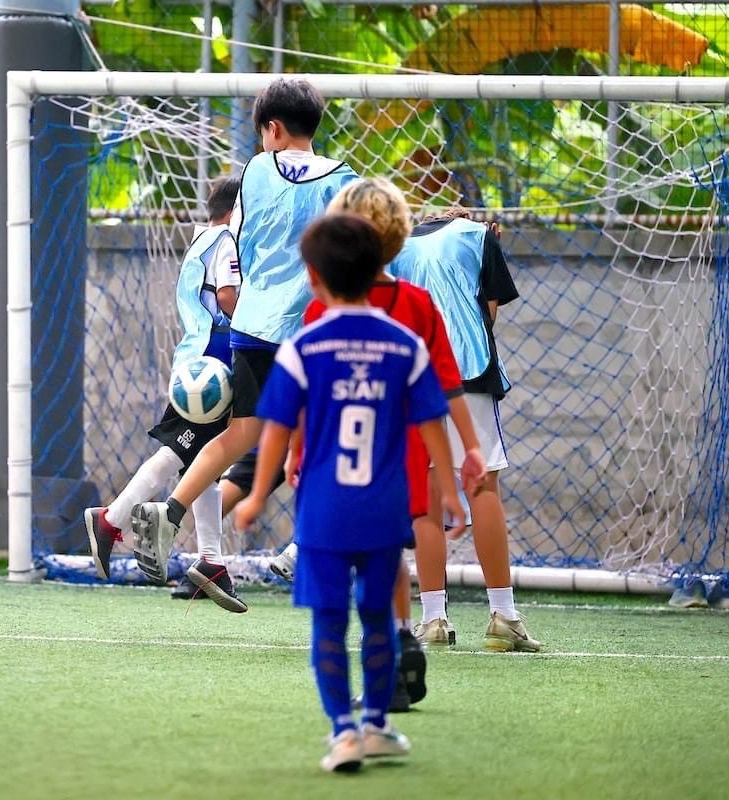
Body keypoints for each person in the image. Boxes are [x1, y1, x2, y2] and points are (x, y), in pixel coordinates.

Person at [234, 213, 466, 772]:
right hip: (386, 513)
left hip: (323, 516)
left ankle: (343, 732)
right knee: (380, 621)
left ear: (312, 277)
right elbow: (432, 419)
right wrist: (451, 487)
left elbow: (277, 430)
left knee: (329, 622)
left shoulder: (304, 347)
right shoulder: (404, 346)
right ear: (381, 270)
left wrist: (256, 494)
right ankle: (378, 727)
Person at [130, 78, 359, 612]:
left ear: (272, 130)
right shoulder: (343, 182)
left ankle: (168, 513)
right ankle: (309, 545)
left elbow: (247, 244)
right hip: (307, 331)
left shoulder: (256, 171)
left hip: (252, 327)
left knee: (238, 436)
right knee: (330, 437)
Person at [268, 178, 488, 707]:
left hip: (341, 462)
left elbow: (302, 393)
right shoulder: (416, 303)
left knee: (363, 559)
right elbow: (447, 381)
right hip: (401, 452)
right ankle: (399, 635)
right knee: (387, 551)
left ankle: (384, 645)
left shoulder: (320, 310)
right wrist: (471, 445)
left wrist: (297, 450)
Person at [83, 176, 245, 609]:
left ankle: (211, 560)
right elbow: (228, 298)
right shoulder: (228, 238)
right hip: (215, 362)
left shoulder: (201, 239)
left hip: (198, 358)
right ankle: (112, 519)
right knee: (181, 449)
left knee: (207, 459)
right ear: (238, 208)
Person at [387, 208, 541, 652]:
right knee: (484, 483)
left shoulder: (399, 243)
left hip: (413, 378)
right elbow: (487, 315)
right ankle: (504, 616)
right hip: (467, 375)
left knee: (428, 493)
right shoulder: (480, 236)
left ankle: (434, 619)